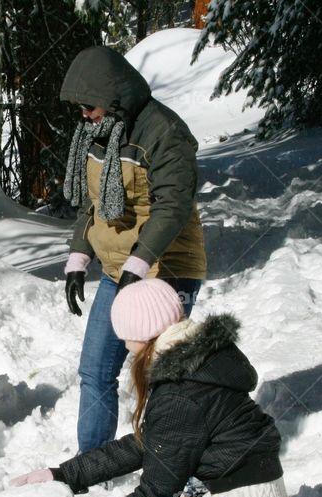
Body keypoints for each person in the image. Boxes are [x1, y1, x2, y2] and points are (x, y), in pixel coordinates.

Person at [12, 279, 293, 497]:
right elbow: (147, 444)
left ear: (142, 332)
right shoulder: (199, 361)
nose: (124, 344)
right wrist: (67, 474)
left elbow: (157, 491)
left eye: (126, 335)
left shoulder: (180, 393)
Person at [59, 45, 208, 453]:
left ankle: (172, 461)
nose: (84, 115)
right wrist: (78, 258)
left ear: (112, 97)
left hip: (167, 268)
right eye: (80, 108)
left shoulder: (165, 132)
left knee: (164, 376)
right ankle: (92, 463)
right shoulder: (99, 133)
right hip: (119, 271)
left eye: (89, 105)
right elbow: (93, 204)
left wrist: (137, 266)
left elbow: (173, 207)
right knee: (95, 370)